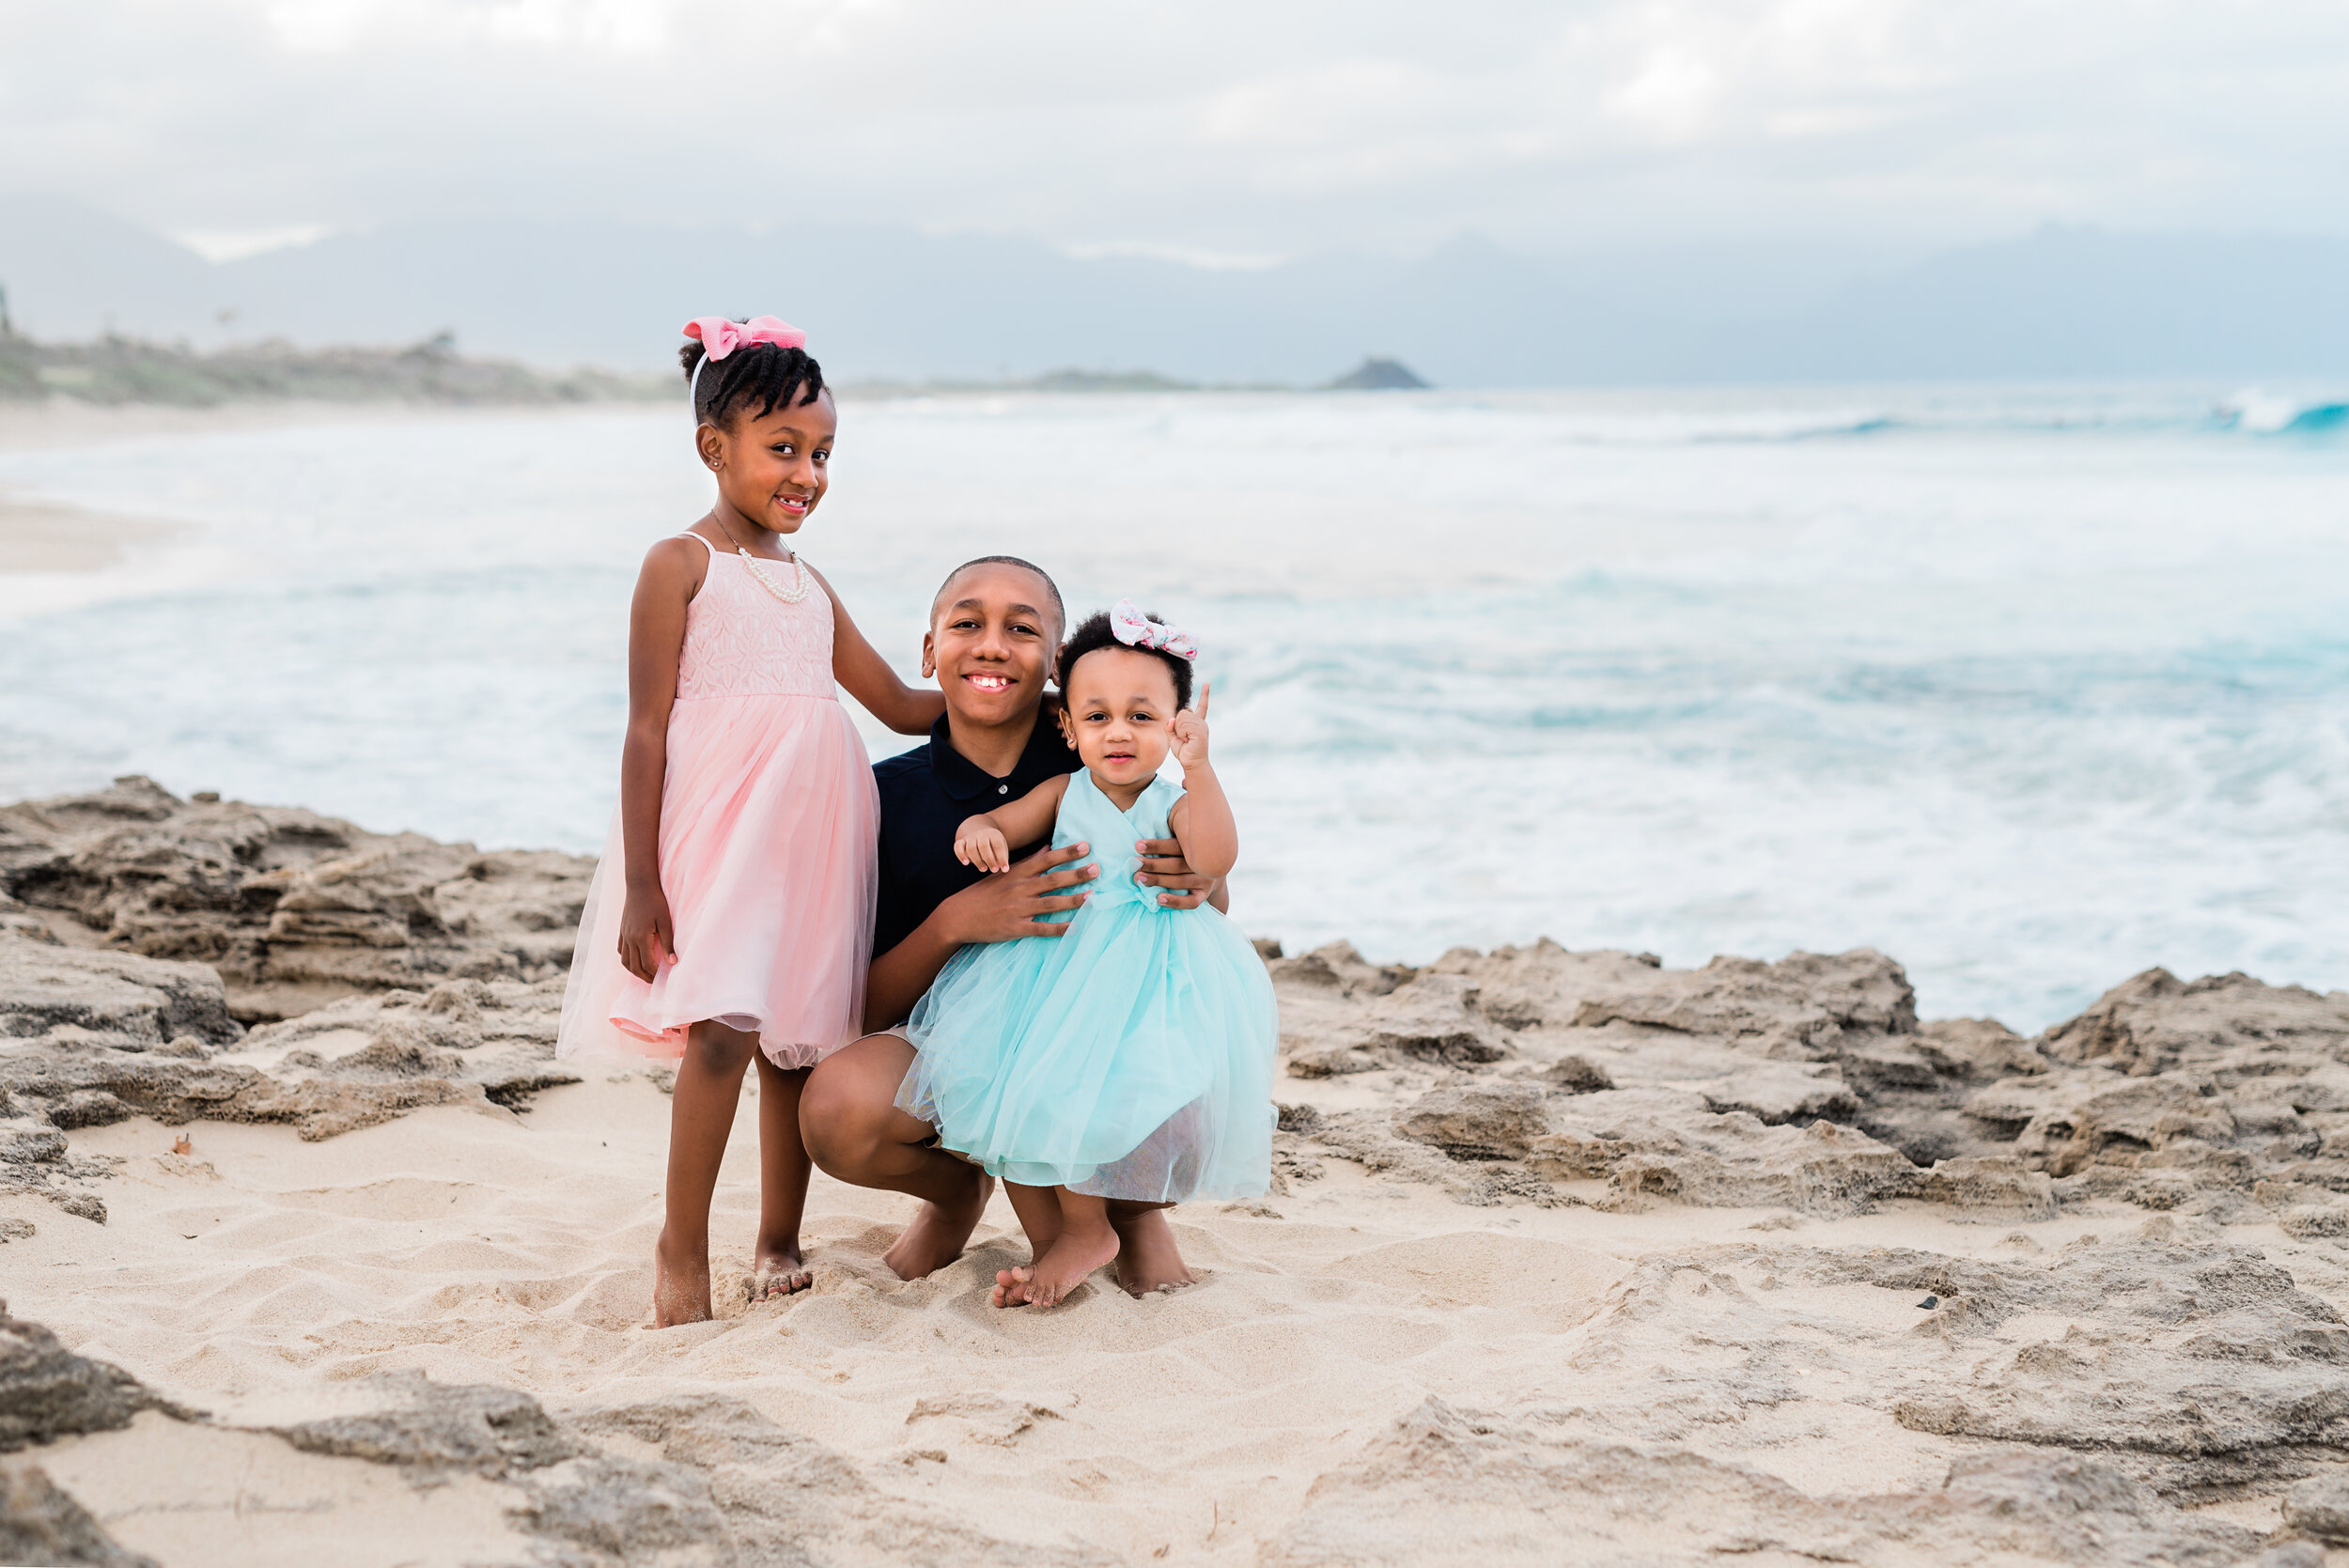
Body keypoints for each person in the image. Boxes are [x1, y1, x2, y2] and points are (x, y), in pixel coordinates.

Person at [558, 315, 944, 1327]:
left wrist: (1020, 693)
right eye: (785, 449)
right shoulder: (679, 564)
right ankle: (679, 1252)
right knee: (722, 1032)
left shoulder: (810, 586)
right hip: (720, 842)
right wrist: (643, 882)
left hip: (815, 844)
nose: (807, 473)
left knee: (796, 1045)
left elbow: (903, 706)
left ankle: (778, 1236)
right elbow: (645, 732)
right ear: (712, 446)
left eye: (823, 455)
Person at [798, 558, 1224, 1296]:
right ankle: (959, 1191)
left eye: (1021, 629)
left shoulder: (1103, 750)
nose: (992, 644)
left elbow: (1205, 898)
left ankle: (1133, 1216)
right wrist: (955, 922)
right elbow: (855, 1011)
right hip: (952, 1046)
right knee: (838, 1108)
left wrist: (1202, 878)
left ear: (1056, 666)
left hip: (1104, 1036)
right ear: (930, 651)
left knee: (1170, 1116)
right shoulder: (885, 797)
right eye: (967, 623)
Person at [903, 602, 1275, 1306]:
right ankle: (1073, 1232)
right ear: (1068, 728)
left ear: (1177, 724)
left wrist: (1201, 770)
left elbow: (1216, 855)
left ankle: (1112, 1226)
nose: (1119, 732)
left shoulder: (1170, 801)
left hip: (1143, 979)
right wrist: (979, 832)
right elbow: (996, 823)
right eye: (1097, 716)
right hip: (1050, 970)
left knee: (1120, 1095)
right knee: (1018, 1088)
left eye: (1143, 716)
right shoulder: (1064, 789)